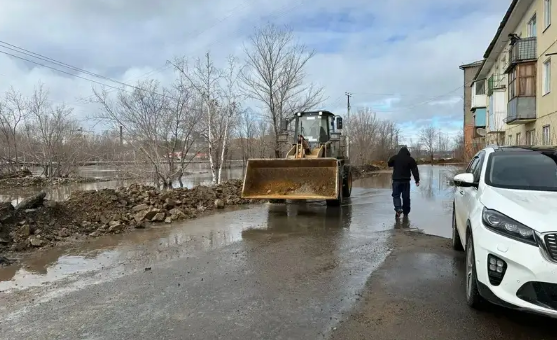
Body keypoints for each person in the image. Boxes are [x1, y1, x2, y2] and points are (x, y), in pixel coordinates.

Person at [388, 146, 420, 218]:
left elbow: (389, 164)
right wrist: (417, 180)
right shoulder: (410, 159)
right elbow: (415, 170)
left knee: (396, 195)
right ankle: (406, 212)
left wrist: (394, 162)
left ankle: (398, 208)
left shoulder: (395, 158)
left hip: (396, 181)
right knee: (406, 197)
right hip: (406, 181)